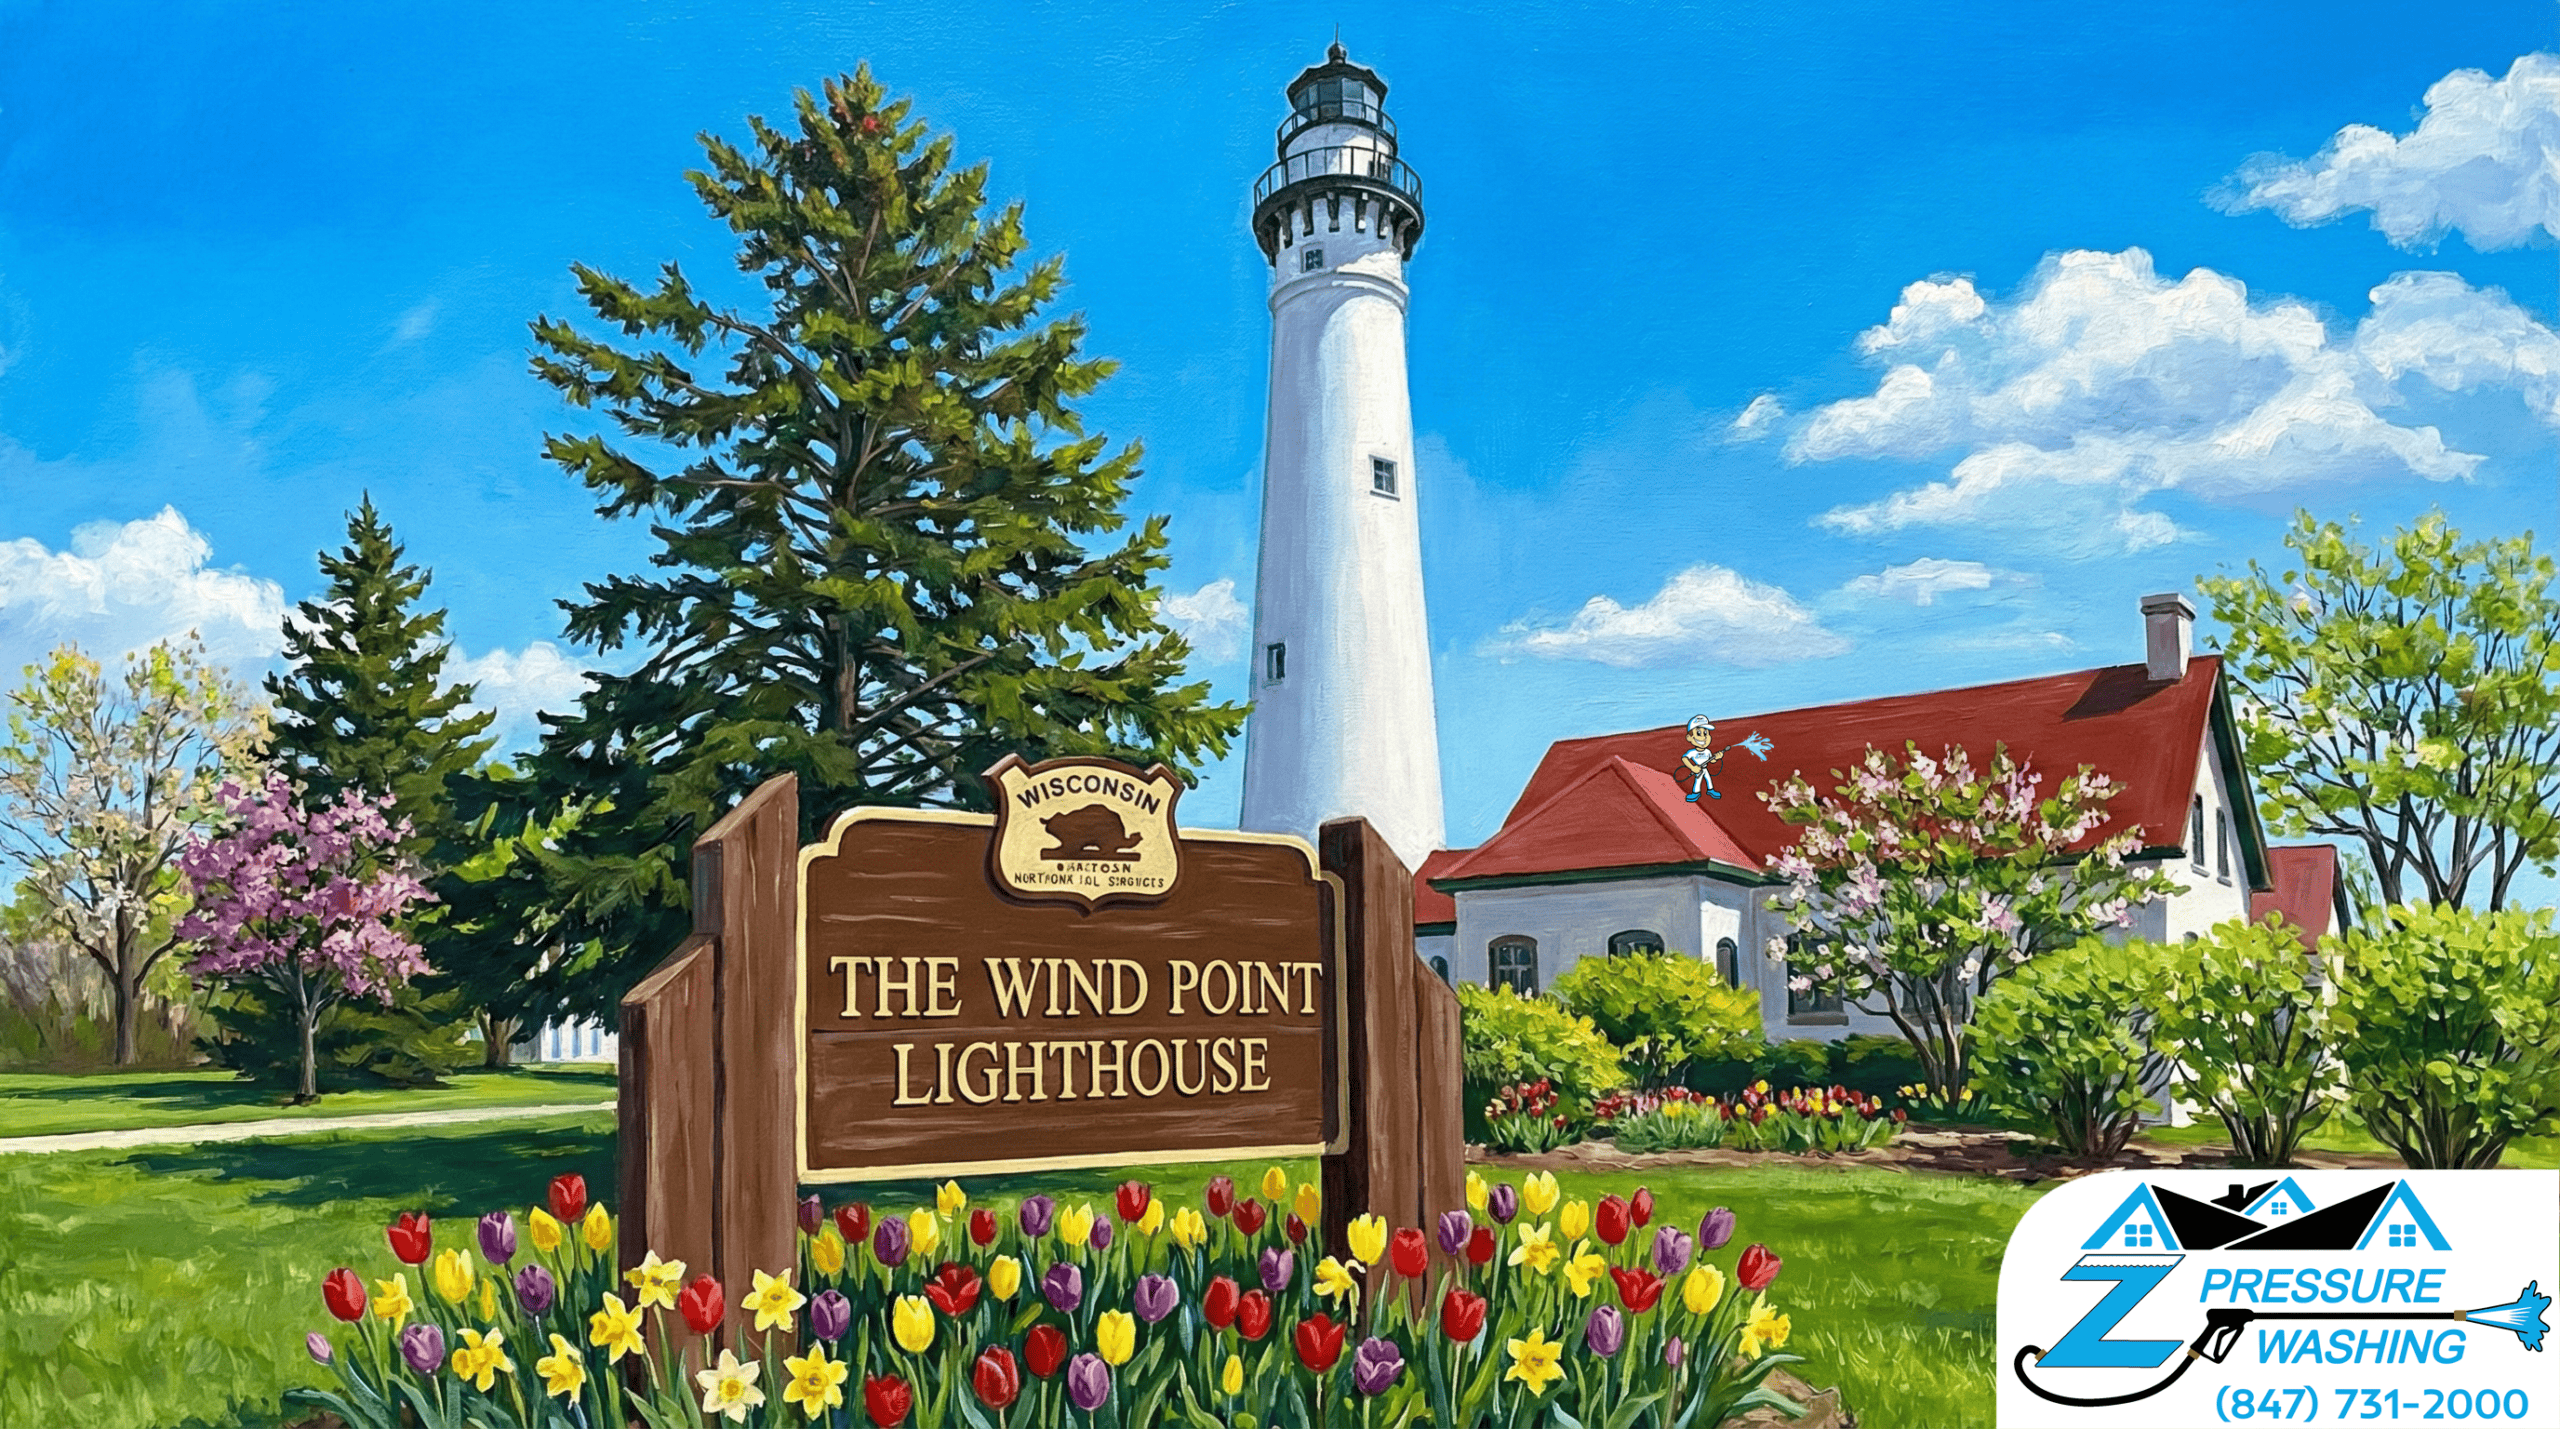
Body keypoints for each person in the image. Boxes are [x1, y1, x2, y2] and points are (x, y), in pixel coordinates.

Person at [1680, 716, 1723, 801]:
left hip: (1704, 768)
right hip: (1698, 769)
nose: (1704, 737)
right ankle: (1696, 793)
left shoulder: (1707, 751)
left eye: (1706, 733)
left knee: (1708, 779)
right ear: (1689, 737)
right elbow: (1684, 758)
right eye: (1698, 733)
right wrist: (1692, 767)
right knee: (1698, 781)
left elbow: (1711, 760)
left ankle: (1710, 790)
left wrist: (1717, 757)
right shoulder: (1692, 752)